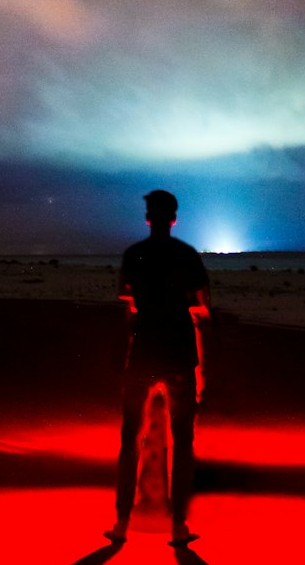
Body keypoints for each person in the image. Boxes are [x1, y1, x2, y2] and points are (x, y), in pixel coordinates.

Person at [106, 189, 210, 547]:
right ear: (174, 218)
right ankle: (178, 525)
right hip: (179, 353)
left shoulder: (134, 254)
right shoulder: (186, 255)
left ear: (148, 217)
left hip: (144, 353)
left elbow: (127, 302)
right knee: (183, 441)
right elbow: (201, 305)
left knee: (129, 437)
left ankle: (121, 522)